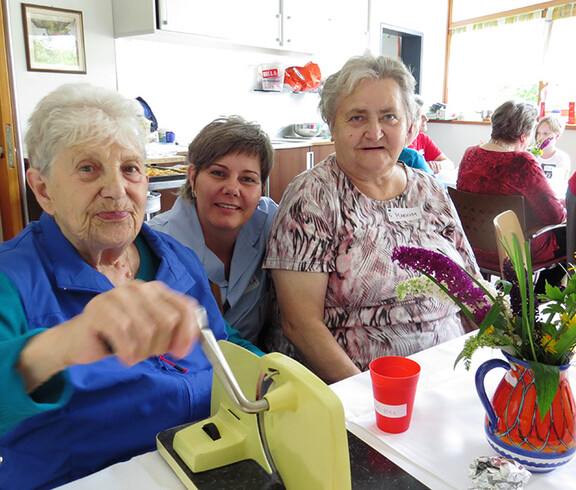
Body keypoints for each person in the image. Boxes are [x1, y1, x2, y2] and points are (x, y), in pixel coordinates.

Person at [0, 83, 227, 489]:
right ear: (43, 189)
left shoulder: (174, 256)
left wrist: (278, 375)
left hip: (208, 462)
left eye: (130, 168)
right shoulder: (12, 277)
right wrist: (66, 342)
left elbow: (224, 348)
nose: (117, 190)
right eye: (88, 169)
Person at [263, 54, 479, 384]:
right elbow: (300, 325)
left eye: (389, 116)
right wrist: (370, 399)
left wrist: (514, 354)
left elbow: (473, 291)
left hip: (450, 376)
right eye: (356, 118)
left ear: (409, 126)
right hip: (359, 391)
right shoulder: (313, 197)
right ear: (332, 125)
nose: (374, 131)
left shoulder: (430, 191)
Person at [148, 116, 277, 347]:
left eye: (247, 179)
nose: (232, 189)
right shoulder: (155, 243)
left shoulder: (272, 223)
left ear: (262, 188)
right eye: (218, 173)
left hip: (255, 369)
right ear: (193, 177)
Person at [457, 100, 566, 292]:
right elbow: (554, 216)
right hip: (515, 249)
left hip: (474, 246)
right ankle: (540, 297)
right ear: (524, 135)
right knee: (568, 234)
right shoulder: (523, 162)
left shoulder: (470, 154)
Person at [408, 95, 455, 173]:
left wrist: (436, 165)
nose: (426, 119)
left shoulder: (423, 138)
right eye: (421, 116)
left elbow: (450, 164)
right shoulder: (402, 144)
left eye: (426, 115)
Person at [534, 114, 571, 192]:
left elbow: (560, 184)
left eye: (545, 134)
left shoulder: (562, 158)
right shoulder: (531, 155)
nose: (540, 137)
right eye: (538, 133)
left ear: (557, 136)